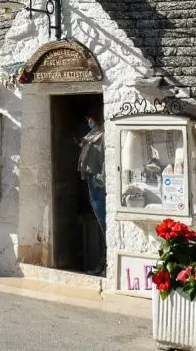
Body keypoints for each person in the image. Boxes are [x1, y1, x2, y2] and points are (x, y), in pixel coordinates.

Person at [78, 115, 106, 273]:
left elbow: (103, 160)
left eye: (91, 119)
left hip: (98, 181)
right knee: (99, 218)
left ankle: (105, 263)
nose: (89, 122)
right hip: (92, 178)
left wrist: (101, 179)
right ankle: (102, 263)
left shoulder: (102, 136)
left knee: (104, 222)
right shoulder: (91, 136)